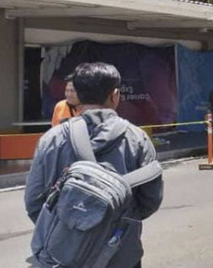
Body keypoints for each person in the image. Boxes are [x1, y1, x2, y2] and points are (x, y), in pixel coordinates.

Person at [25, 62, 163, 268]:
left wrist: (70, 227)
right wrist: (113, 220)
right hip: (122, 252)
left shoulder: (52, 138)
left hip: (63, 255)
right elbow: (151, 199)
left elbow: (33, 201)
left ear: (78, 95)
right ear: (115, 95)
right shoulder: (138, 138)